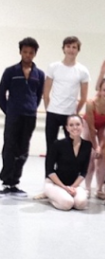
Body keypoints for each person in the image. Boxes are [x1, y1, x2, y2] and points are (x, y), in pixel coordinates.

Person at [0, 37, 45, 197]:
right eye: (25, 52)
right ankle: (5, 181)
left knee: (23, 149)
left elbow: (39, 95)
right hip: (13, 115)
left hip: (29, 116)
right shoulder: (10, 72)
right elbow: (1, 93)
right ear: (20, 52)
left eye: (31, 52)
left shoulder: (39, 74)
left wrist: (32, 108)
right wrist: (8, 110)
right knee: (10, 147)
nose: (27, 55)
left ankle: (15, 182)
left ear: (35, 54)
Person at [43, 36, 90, 154]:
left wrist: (75, 112)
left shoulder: (82, 71)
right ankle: (49, 172)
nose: (71, 50)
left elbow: (84, 97)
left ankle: (67, 172)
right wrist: (49, 108)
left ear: (78, 50)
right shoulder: (54, 67)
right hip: (53, 113)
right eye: (68, 46)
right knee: (51, 146)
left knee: (70, 147)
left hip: (69, 114)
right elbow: (46, 92)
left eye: (74, 47)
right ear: (63, 49)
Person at [44, 114, 91, 210]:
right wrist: (64, 188)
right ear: (67, 128)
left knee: (81, 204)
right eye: (71, 125)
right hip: (55, 183)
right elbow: (50, 171)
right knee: (67, 204)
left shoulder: (87, 145)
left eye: (78, 124)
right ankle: (50, 196)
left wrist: (73, 187)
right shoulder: (57, 144)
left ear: (82, 126)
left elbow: (83, 171)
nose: (75, 127)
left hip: (73, 184)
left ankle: (64, 195)